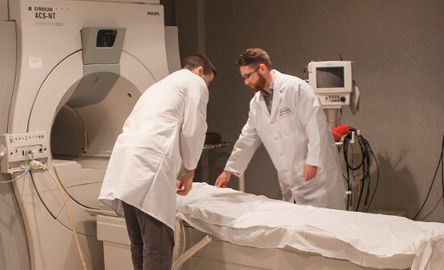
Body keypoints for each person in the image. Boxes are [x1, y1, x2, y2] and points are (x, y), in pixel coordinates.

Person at [98, 54, 216, 270]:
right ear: (200, 70)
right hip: (149, 166)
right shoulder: (195, 82)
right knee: (158, 247)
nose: (206, 86)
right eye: (209, 81)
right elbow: (193, 131)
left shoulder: (160, 86)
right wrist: (189, 172)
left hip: (125, 163)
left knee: (139, 244)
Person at [214, 48, 345, 209]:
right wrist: (229, 170)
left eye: (248, 76)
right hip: (290, 180)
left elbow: (315, 126)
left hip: (317, 180)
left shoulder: (295, 88)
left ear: (262, 68)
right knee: (297, 228)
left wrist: (312, 161)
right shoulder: (256, 104)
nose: (246, 82)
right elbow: (247, 138)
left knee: (324, 226)